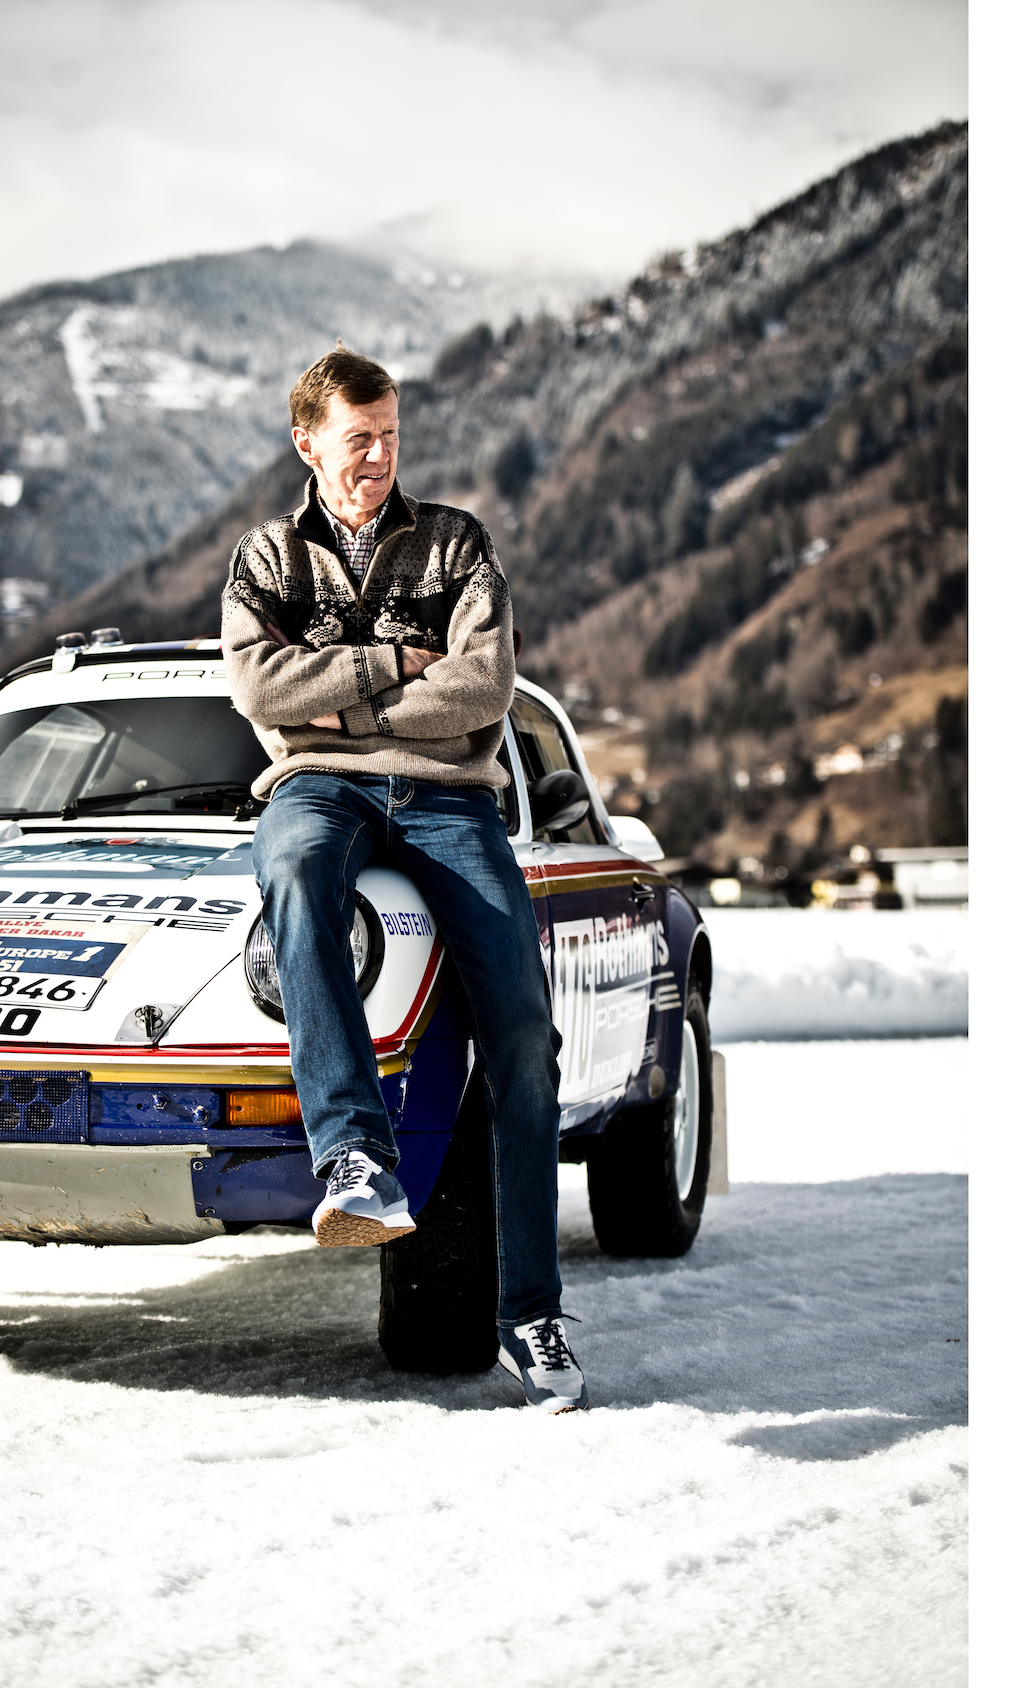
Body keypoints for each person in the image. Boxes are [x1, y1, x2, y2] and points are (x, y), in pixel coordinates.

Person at [220, 346, 585, 1413]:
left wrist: (341, 704)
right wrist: (393, 667)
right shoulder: (264, 559)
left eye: (390, 435)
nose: (378, 457)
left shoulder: (457, 544)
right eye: (358, 439)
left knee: (520, 1028)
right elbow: (259, 686)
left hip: (448, 797)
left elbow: (483, 689)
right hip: (317, 789)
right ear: (308, 444)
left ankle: (534, 1313)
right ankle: (353, 1159)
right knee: (291, 871)